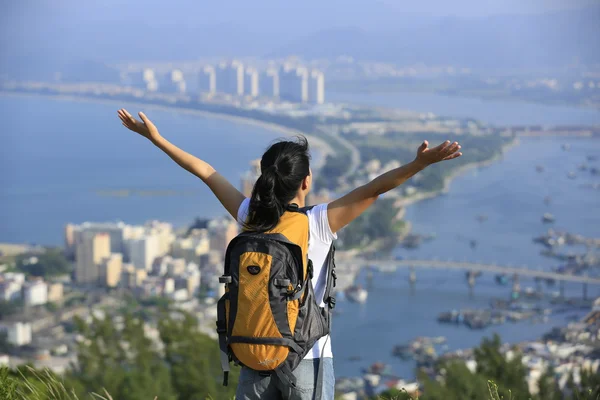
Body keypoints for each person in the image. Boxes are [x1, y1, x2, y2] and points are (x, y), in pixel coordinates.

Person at [117, 108, 462, 399]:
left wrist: (156, 139)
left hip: (255, 352)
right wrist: (420, 164)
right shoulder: (318, 222)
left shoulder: (250, 217)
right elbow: (376, 188)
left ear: (264, 177)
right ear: (306, 181)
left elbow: (206, 172)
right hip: (307, 358)